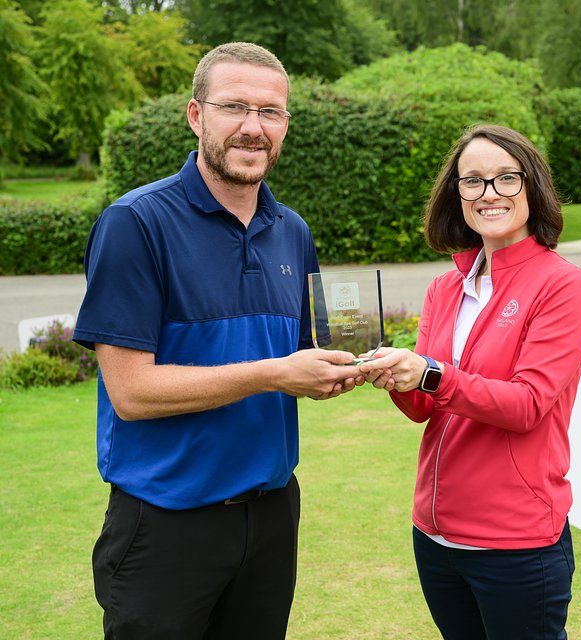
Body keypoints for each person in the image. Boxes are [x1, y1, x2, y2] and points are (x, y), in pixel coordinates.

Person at [72, 42, 362, 639]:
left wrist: (339, 370)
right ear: (196, 115)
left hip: (274, 514)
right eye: (235, 107)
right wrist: (275, 373)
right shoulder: (135, 223)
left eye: (271, 112)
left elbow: (302, 359)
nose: (253, 128)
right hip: (165, 525)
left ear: (285, 126)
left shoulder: (293, 231)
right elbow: (130, 392)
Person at [360, 123, 581, 639]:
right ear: (457, 195)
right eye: (473, 181)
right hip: (435, 536)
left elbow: (527, 405)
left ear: (531, 186)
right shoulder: (446, 287)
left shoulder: (564, 285)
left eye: (505, 178)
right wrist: (395, 376)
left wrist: (429, 373)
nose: (489, 194)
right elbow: (425, 407)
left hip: (515, 543)